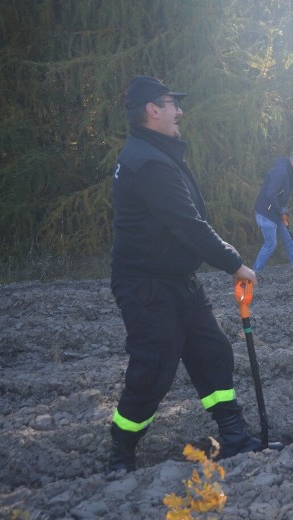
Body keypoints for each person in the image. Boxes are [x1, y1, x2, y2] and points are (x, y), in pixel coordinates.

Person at [109, 76, 273, 473]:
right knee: (154, 369)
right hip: (148, 286)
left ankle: (233, 435)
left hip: (177, 280)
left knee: (212, 351)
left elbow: (185, 224)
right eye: (172, 104)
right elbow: (189, 225)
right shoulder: (148, 162)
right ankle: (121, 454)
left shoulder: (154, 153)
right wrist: (236, 263)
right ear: (153, 109)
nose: (179, 111)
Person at [254, 150, 293, 271]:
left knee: (289, 240)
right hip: (266, 213)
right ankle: (255, 273)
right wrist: (281, 210)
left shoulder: (289, 172)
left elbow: (280, 195)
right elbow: (270, 194)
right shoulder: (281, 171)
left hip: (276, 213)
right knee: (270, 244)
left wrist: (281, 210)